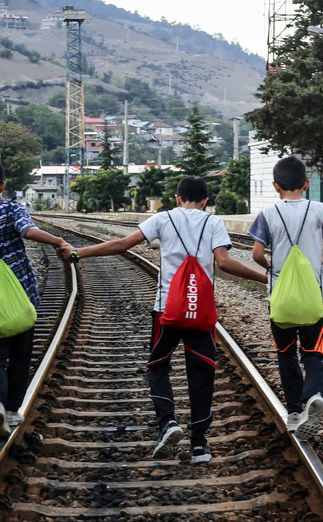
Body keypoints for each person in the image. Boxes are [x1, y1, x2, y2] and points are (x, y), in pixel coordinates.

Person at [74, 177, 268, 463]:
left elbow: (121, 244)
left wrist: (78, 253)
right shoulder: (212, 222)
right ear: (205, 201)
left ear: (177, 198)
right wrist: (266, 277)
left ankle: (168, 423)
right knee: (202, 374)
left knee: (157, 366)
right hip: (200, 313)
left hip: (167, 310)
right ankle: (200, 446)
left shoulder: (163, 219)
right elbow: (224, 263)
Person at [0, 160, 73, 439]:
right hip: (20, 299)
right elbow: (28, 232)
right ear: (3, 186)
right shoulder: (12, 208)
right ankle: (10, 410)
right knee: (20, 357)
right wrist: (57, 241)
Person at [249, 156, 323, 440]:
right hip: (316, 298)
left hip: (281, 299)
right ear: (307, 183)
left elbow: (256, 254)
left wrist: (273, 271)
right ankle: (314, 394)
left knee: (286, 354)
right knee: (313, 353)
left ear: (275, 186)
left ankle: (293, 412)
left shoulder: (267, 214)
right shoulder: (320, 210)